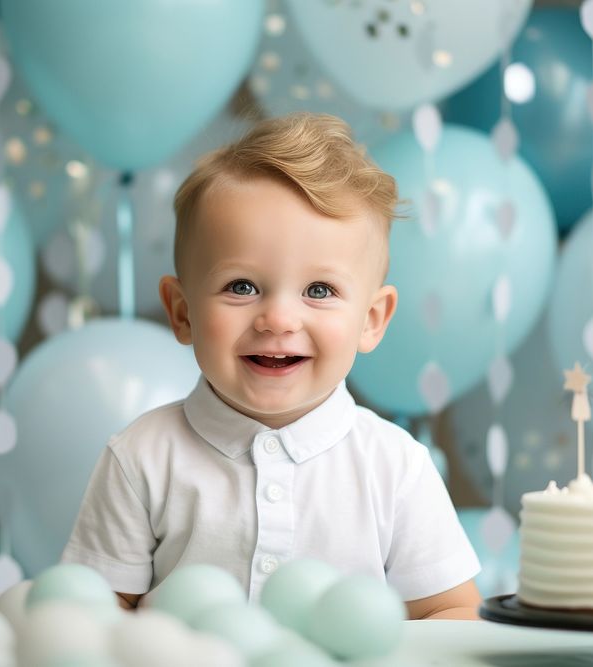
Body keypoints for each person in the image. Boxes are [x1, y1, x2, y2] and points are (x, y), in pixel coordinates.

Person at [62, 113, 482, 620]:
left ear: (371, 320)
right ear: (182, 311)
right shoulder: (143, 459)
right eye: (242, 286)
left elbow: (451, 615)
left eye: (319, 290)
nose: (279, 319)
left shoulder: (394, 467)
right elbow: (91, 621)